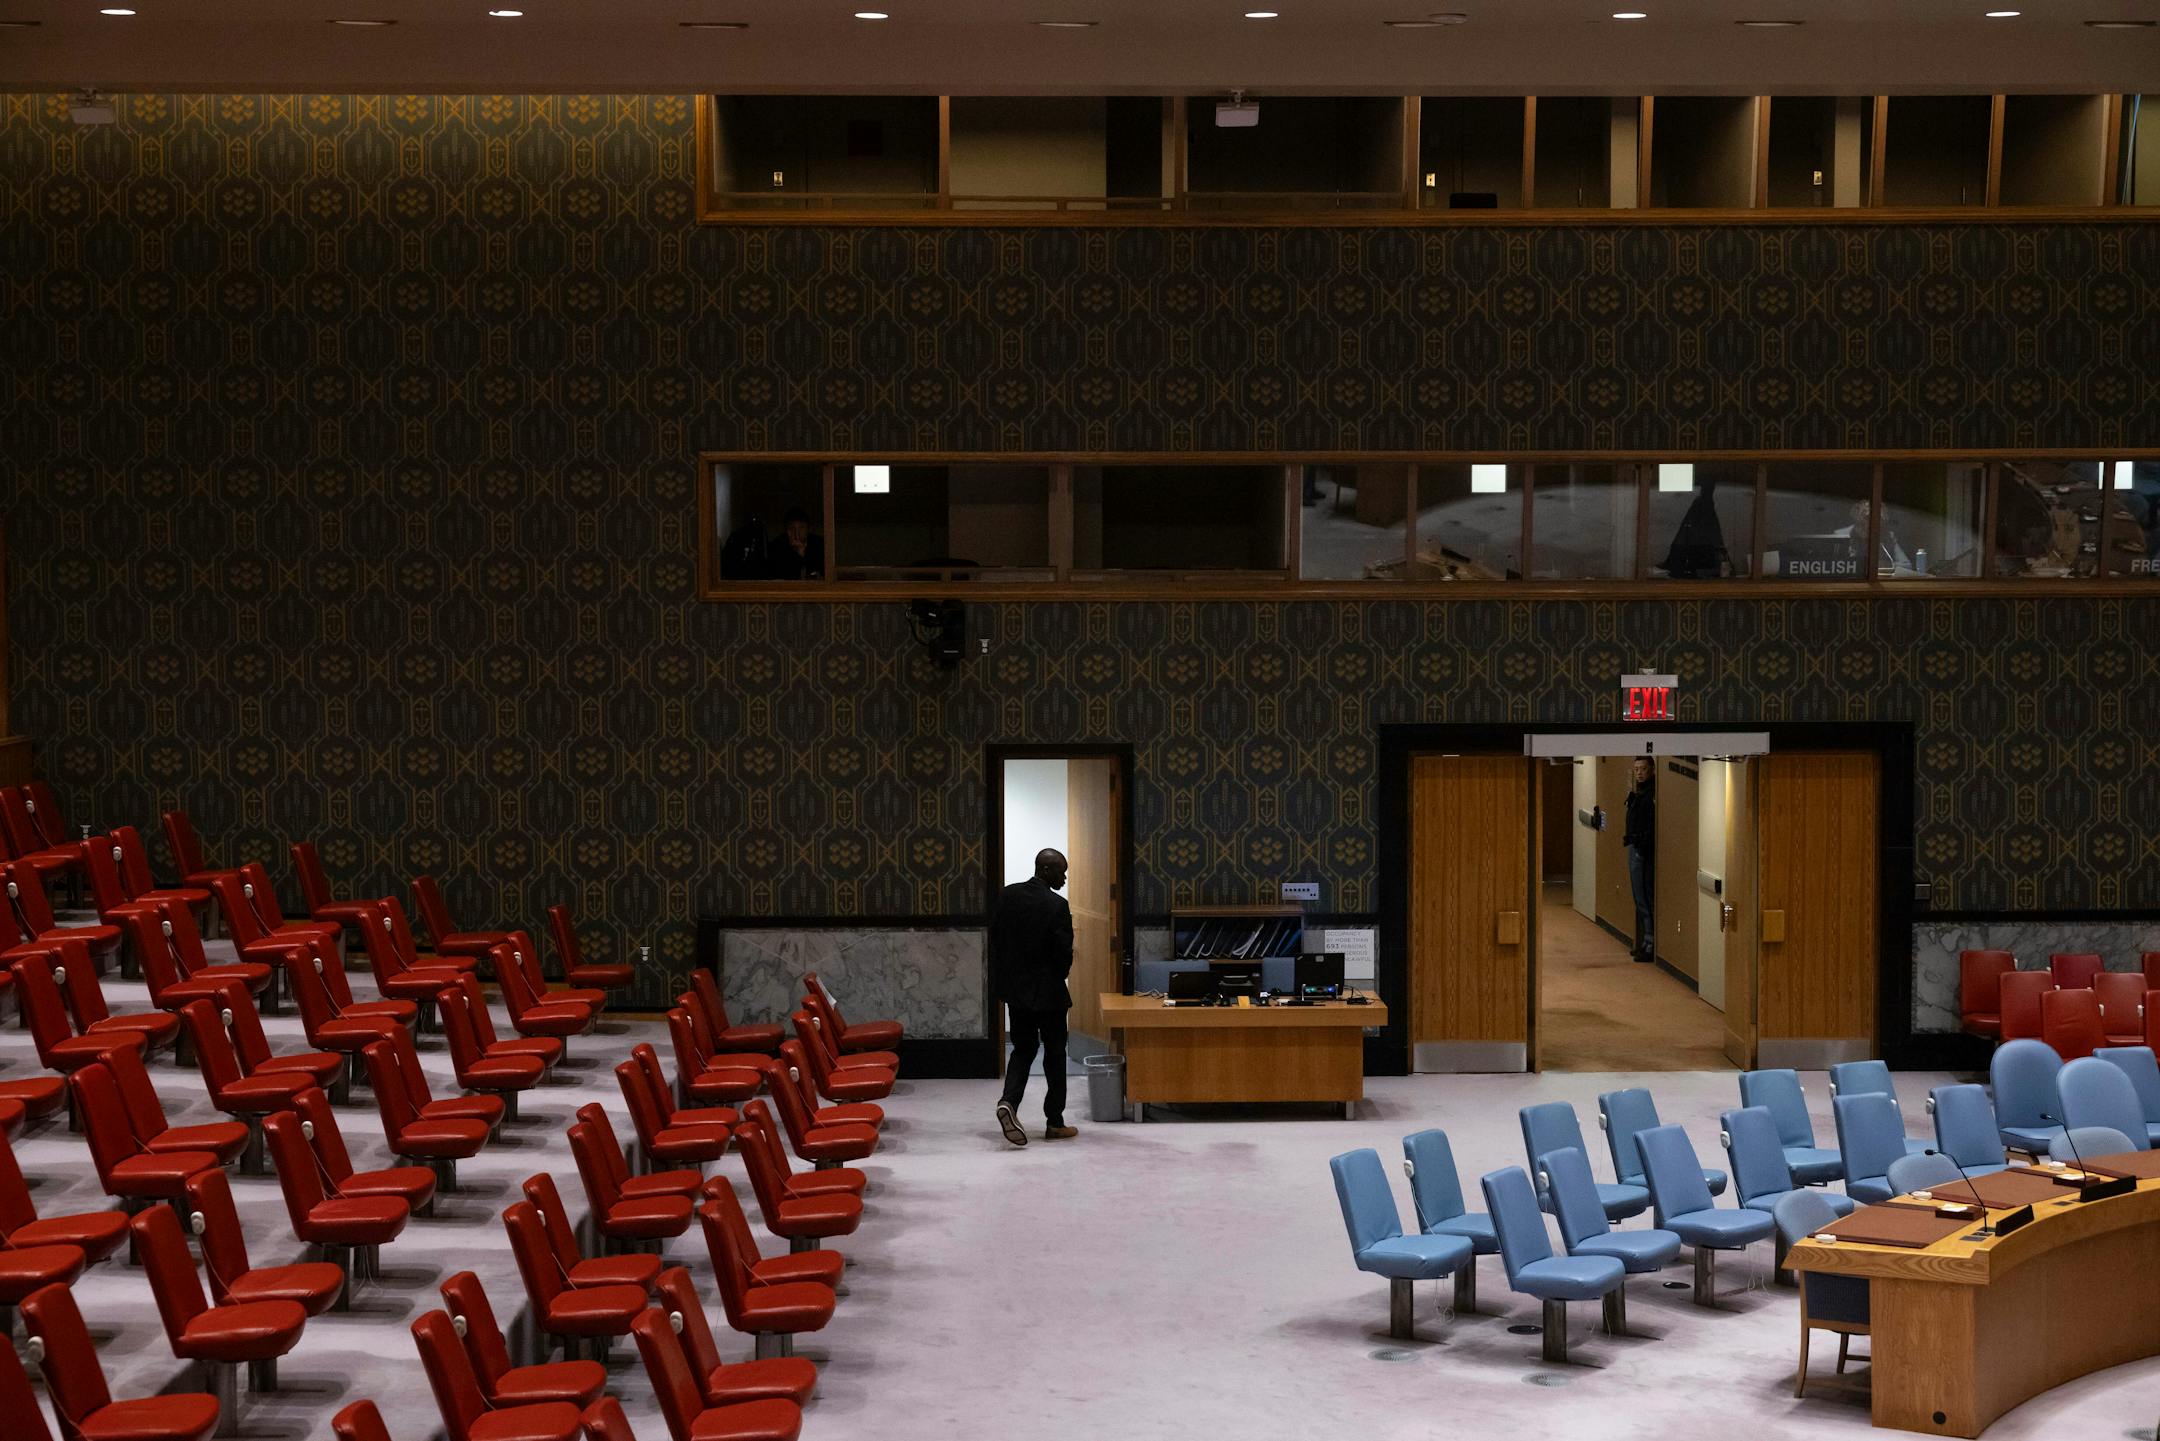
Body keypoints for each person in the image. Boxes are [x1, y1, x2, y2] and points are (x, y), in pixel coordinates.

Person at [987, 847, 1076, 1147]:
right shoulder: (1057, 906)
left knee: (1023, 1050)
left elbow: (996, 939)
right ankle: (1055, 1122)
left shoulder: (1007, 897)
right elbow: (1063, 955)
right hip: (1049, 994)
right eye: (1061, 871)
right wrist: (1057, 975)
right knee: (1054, 1055)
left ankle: (1008, 1103)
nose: (1064, 877)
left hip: (1017, 992)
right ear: (1046, 870)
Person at [1624, 757, 1655, 963]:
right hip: (1634, 846)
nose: (1640, 773)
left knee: (1645, 897)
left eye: (1643, 769)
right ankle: (1645, 940)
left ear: (1651, 770)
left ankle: (1650, 942)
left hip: (1643, 851)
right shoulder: (1638, 794)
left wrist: (1642, 847)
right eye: (1636, 769)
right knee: (1638, 896)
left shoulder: (1651, 795)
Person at [765, 507, 824, 580]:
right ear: (786, 530)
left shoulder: (819, 545)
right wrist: (798, 555)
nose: (796, 533)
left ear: (808, 529)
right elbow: (780, 575)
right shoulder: (777, 546)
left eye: (801, 528)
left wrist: (802, 553)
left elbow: (818, 573)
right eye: (791, 529)